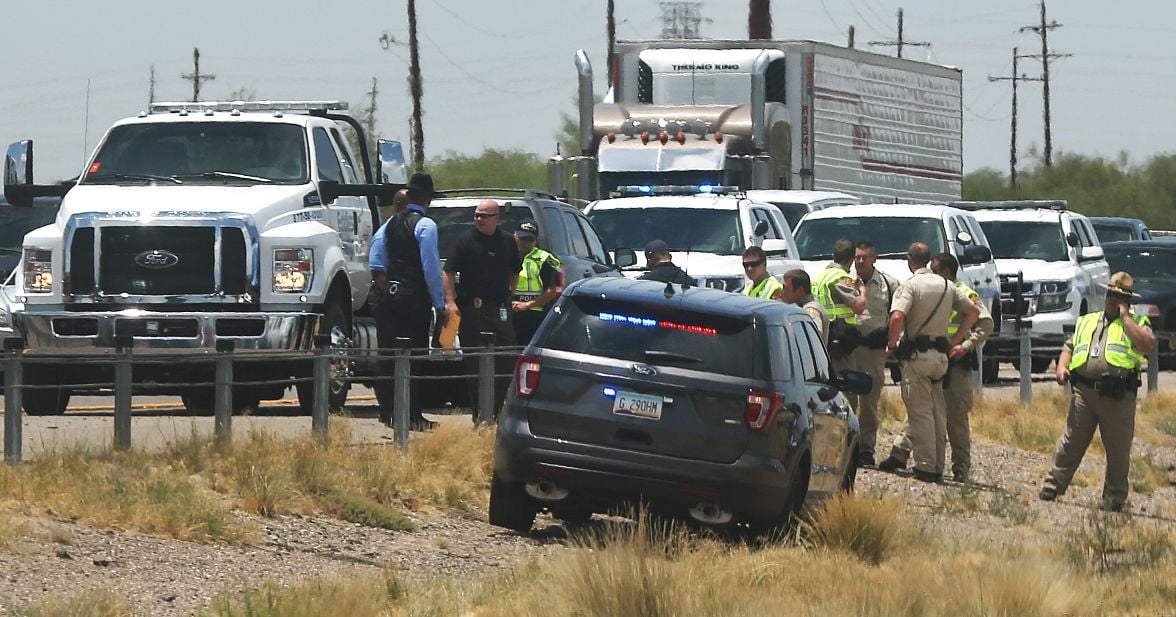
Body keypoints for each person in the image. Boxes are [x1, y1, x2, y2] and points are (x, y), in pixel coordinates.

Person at [1039, 272, 1153, 511]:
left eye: (1120, 297)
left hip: (1118, 395)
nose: (1113, 300)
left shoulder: (1138, 323)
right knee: (1071, 441)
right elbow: (1069, 347)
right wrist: (1062, 367)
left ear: (1128, 301)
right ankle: (1053, 485)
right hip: (1084, 392)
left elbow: (1146, 345)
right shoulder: (1087, 320)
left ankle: (1114, 497)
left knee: (1118, 449)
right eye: (1111, 294)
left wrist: (1126, 318)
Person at [877, 242, 978, 483]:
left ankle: (926, 467)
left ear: (910, 260)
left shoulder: (910, 286)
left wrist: (892, 345)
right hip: (941, 358)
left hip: (918, 357)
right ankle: (938, 466)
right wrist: (954, 339)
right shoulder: (946, 285)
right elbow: (973, 312)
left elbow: (898, 316)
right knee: (938, 413)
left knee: (920, 412)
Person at [368, 173, 448, 432]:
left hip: (391, 296)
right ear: (429, 200)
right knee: (415, 356)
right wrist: (439, 303)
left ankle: (390, 412)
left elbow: (378, 259)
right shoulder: (426, 226)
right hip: (414, 298)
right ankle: (412, 414)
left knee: (389, 355)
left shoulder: (390, 224)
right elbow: (430, 267)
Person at [443, 199, 522, 421]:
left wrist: (509, 295)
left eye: (484, 216)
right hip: (473, 311)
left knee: (506, 362)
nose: (479, 219)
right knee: (475, 365)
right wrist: (451, 302)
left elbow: (515, 271)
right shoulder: (465, 241)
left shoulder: (507, 241)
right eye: (476, 215)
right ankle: (480, 416)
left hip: (499, 311)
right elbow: (448, 271)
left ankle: (498, 414)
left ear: (496, 218)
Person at [931, 252, 994, 482]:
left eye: (935, 270)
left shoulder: (965, 293)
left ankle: (961, 469)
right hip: (934, 360)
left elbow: (986, 323)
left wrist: (965, 345)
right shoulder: (936, 292)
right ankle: (906, 456)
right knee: (925, 410)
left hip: (956, 365)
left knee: (956, 418)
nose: (932, 275)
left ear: (947, 272)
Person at [848, 241, 901, 467]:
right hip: (849, 350)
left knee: (869, 403)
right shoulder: (844, 282)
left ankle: (866, 450)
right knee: (847, 401)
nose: (860, 261)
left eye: (864, 257)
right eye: (857, 257)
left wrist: (893, 342)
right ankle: (847, 449)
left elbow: (899, 314)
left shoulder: (888, 284)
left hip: (873, 351)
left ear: (874, 259)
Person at [813, 238, 868, 377]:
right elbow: (859, 307)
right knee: (847, 386)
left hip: (824, 338)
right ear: (852, 259)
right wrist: (862, 289)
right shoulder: (840, 278)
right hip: (840, 340)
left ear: (833, 255)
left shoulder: (821, 276)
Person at [511, 218, 562, 345]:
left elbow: (551, 291)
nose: (526, 244)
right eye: (522, 239)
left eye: (530, 240)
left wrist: (527, 305)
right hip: (508, 312)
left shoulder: (543, 259)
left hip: (533, 314)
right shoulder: (505, 254)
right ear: (515, 235)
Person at [780, 268, 829, 345]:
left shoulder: (811, 310)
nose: (782, 292)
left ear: (799, 290)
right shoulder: (801, 307)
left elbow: (813, 337)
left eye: (785, 288)